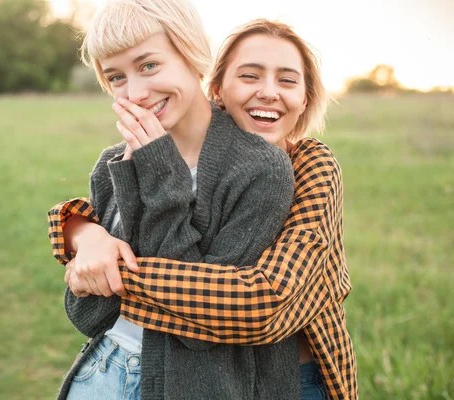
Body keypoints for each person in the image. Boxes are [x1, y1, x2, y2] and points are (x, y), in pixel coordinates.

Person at [51, 19, 358, 400]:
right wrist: (84, 232)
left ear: (306, 98)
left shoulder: (309, 169)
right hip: (120, 369)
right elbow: (87, 312)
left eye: (287, 81)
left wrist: (108, 270)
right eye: (249, 76)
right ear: (217, 87)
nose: (268, 93)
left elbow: (258, 303)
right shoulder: (127, 157)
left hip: (291, 377)